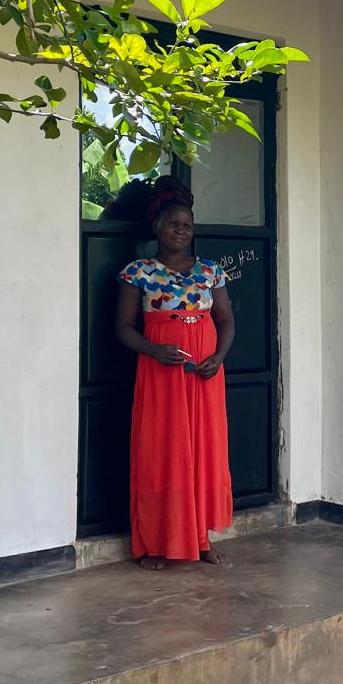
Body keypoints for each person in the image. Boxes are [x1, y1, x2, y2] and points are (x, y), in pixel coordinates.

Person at [114, 176, 234, 570]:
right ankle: (154, 542)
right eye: (172, 223)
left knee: (202, 455)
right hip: (161, 375)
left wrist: (218, 357)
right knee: (160, 455)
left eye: (186, 224)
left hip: (203, 375)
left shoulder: (211, 271)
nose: (180, 230)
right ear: (156, 228)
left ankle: (200, 540)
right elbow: (123, 328)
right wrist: (153, 349)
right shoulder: (138, 272)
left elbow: (226, 321)